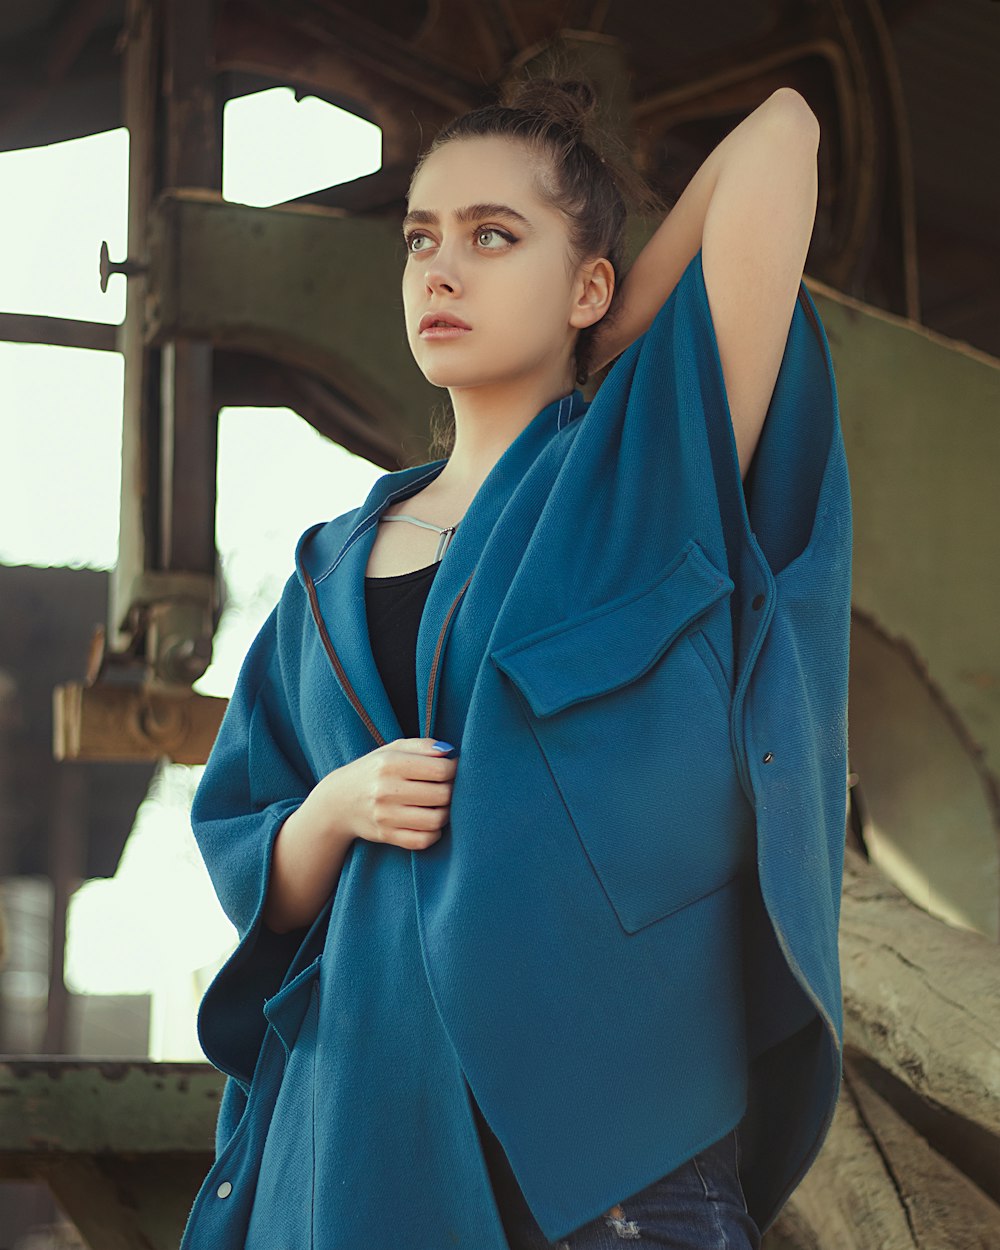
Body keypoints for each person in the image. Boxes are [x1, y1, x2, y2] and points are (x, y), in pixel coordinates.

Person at [180, 71, 852, 1250]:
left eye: (495, 236)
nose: (441, 270)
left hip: (611, 1169)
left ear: (587, 279)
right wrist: (336, 806)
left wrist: (627, 320)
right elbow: (258, 872)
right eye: (422, 240)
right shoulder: (323, 572)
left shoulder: (646, 469)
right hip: (351, 1162)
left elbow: (782, 132)